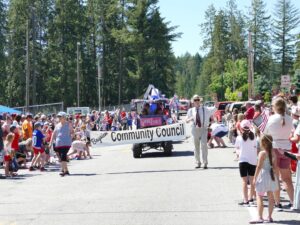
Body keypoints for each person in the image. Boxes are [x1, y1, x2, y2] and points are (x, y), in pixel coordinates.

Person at [264, 97, 294, 210]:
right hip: (286, 149)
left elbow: (265, 133)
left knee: (275, 177)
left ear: (274, 107)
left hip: (274, 148)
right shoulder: (289, 119)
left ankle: (277, 203)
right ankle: (293, 202)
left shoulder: (271, 119)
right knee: (287, 178)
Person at [250, 135, 279, 224]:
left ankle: (260, 217)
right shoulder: (274, 152)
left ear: (263, 143)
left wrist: (255, 178)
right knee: (271, 197)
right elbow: (275, 167)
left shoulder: (262, 153)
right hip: (271, 175)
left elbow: (258, 167)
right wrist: (277, 178)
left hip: (263, 175)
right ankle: (269, 216)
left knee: (259, 196)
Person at [186, 95, 217, 169]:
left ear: (200, 101)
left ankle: (205, 162)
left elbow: (215, 108)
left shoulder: (205, 109)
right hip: (194, 129)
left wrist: (216, 100)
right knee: (196, 147)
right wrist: (190, 119)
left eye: (198, 100)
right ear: (193, 102)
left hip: (203, 128)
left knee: (204, 146)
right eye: (195, 100)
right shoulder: (191, 110)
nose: (196, 101)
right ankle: (198, 162)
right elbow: (186, 120)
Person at [235, 119, 257, 206]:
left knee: (244, 181)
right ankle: (251, 198)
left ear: (241, 128)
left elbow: (236, 149)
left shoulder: (239, 138)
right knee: (252, 181)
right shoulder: (254, 136)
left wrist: (238, 153)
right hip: (253, 160)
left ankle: (245, 200)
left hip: (242, 160)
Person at [49, 112, 73, 177]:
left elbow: (72, 132)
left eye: (60, 116)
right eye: (59, 117)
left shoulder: (68, 124)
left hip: (66, 143)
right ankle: (66, 170)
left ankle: (63, 170)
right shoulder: (57, 125)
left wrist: (72, 135)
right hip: (59, 143)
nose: (59, 118)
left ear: (64, 117)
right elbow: (53, 134)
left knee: (63, 156)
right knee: (61, 157)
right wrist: (51, 142)